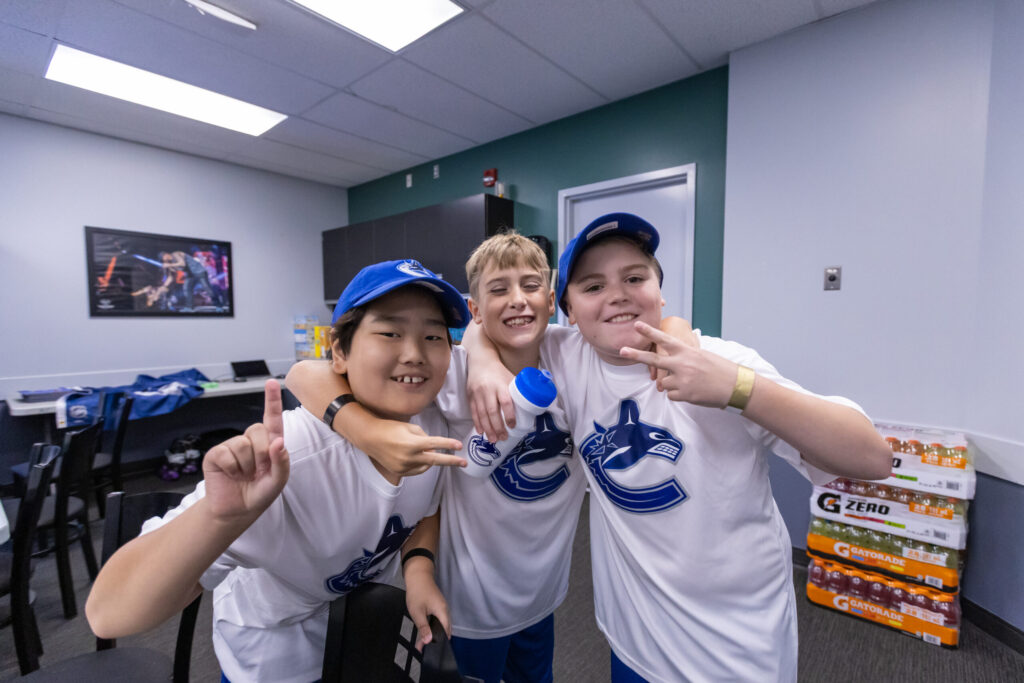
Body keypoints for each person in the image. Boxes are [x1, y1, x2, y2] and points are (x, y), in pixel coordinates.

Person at [461, 213, 893, 682]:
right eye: (592, 286)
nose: (618, 294)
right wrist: (481, 361)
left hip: (735, 654)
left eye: (634, 277)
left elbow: (872, 458)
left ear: (660, 291)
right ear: (565, 310)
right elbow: (492, 322)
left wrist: (738, 389)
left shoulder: (722, 362)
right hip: (632, 643)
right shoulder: (566, 357)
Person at [85, 259, 471, 683]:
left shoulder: (432, 423)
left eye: (433, 335)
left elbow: (424, 509)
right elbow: (109, 614)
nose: (415, 353)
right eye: (390, 332)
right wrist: (219, 517)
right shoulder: (291, 458)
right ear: (339, 352)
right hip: (271, 661)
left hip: (358, 639)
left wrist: (418, 572)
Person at [287, 233, 587, 683]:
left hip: (543, 589)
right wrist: (366, 430)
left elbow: (661, 331)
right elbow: (305, 373)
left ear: (550, 299)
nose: (518, 301)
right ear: (475, 310)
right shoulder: (450, 369)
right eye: (499, 289)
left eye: (530, 287)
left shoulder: (573, 359)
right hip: (469, 598)